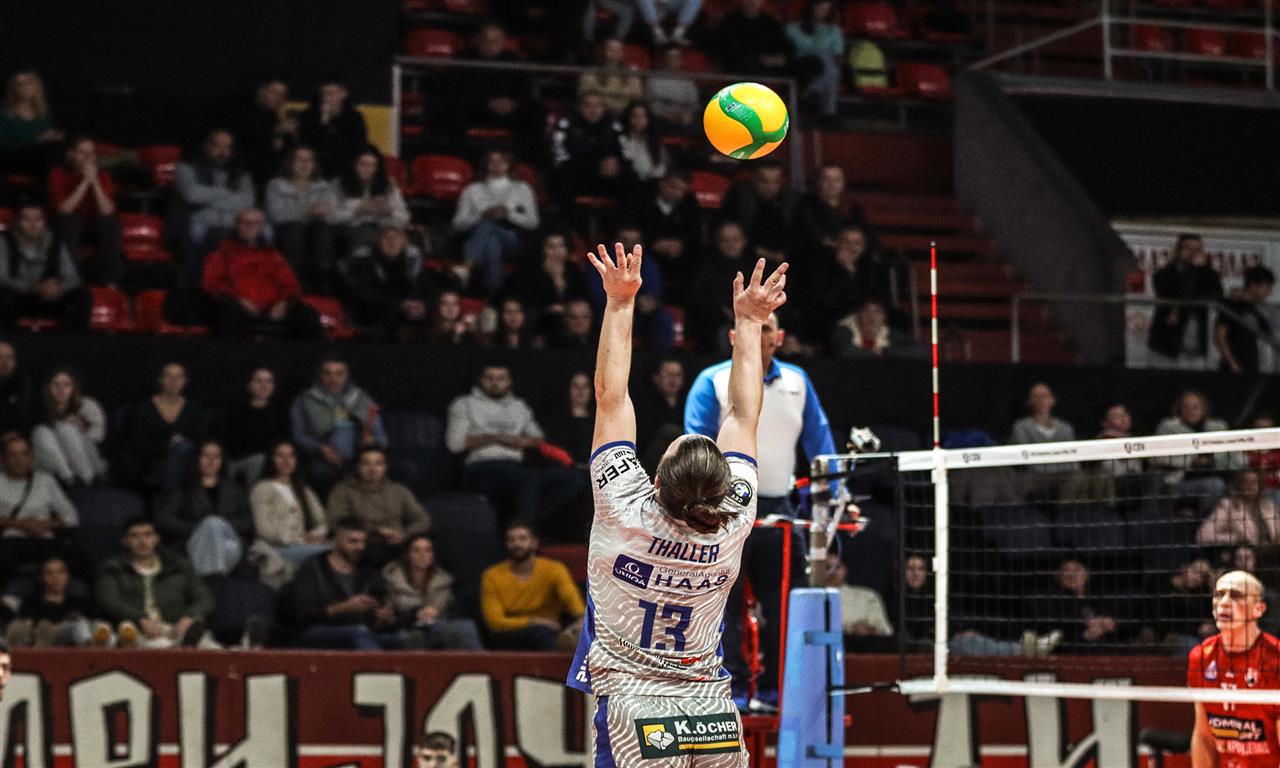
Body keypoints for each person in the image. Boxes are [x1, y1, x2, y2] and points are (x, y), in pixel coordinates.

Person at [568, 242, 783, 765]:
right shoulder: (735, 516)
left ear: (657, 477)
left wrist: (620, 303)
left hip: (634, 704)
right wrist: (749, 323)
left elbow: (610, 397)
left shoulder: (622, 502)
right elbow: (743, 416)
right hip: (710, 707)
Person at [685, 304, 834, 708]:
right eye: (752, 328)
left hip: (778, 508)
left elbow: (820, 444)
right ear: (734, 337)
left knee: (786, 603)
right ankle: (729, 690)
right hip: (721, 511)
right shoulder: (711, 381)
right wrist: (704, 507)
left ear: (779, 338)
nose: (760, 335)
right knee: (721, 603)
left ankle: (779, 690)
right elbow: (696, 449)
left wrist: (834, 495)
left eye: (768, 328)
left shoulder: (798, 381)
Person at [1187, 570, 1280, 767]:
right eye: (1219, 594)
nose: (1224, 602)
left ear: (1258, 609)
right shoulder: (1201, 657)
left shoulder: (1275, 659)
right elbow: (1203, 735)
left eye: (1236, 595)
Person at [200, 208, 324, 340]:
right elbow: (212, 283)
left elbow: (291, 284)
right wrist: (238, 300)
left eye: (255, 223)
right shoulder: (221, 252)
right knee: (228, 312)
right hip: (237, 305)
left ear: (261, 227)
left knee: (307, 314)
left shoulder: (273, 255)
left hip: (272, 307)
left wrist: (283, 302)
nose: (250, 227)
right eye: (245, 222)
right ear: (236, 225)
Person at [94, 518, 214, 649]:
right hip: (136, 628)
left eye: (147, 535)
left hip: (174, 626)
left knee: (212, 648)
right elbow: (109, 600)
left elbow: (204, 598)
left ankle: (188, 640)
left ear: (156, 538)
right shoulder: (113, 568)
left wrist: (188, 617)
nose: (142, 541)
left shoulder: (179, 566)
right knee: (159, 645)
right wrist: (140, 618)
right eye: (134, 536)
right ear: (125, 541)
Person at [292, 518, 405, 650]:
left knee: (402, 637)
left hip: (364, 632)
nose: (360, 547)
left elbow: (377, 609)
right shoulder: (313, 567)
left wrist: (382, 616)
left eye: (363, 542)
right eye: (353, 542)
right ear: (337, 541)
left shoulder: (367, 568)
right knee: (360, 632)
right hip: (319, 631)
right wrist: (342, 608)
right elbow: (302, 616)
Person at [290, 356, 389, 495]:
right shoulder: (304, 400)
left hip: (360, 459)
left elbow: (382, 438)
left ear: (347, 375)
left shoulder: (362, 399)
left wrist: (372, 441)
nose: (333, 379)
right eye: (328, 373)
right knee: (319, 472)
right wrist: (320, 448)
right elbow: (298, 435)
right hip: (322, 459)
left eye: (339, 373)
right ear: (320, 375)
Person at [154, 439, 253, 577]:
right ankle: (216, 579)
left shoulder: (235, 490)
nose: (211, 461)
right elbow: (164, 520)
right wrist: (201, 528)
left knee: (220, 531)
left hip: (229, 540)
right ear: (197, 459)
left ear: (222, 461)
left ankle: (208, 580)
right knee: (212, 525)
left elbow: (248, 522)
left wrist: (219, 526)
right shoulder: (184, 489)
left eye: (216, 456)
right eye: (206, 456)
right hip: (195, 542)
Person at [169, 129, 255, 288]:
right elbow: (191, 194)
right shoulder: (186, 167)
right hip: (193, 219)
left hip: (230, 222)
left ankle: (239, 286)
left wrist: (210, 199)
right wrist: (227, 193)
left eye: (227, 147)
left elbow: (247, 201)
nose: (222, 151)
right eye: (217, 146)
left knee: (260, 232)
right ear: (207, 146)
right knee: (198, 232)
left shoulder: (239, 171)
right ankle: (192, 286)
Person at [482, 521, 584, 650]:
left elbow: (572, 599)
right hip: (509, 634)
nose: (517, 544)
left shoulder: (553, 569)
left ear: (534, 543)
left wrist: (581, 620)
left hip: (552, 631)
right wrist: (534, 621)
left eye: (523, 539)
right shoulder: (492, 575)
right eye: (511, 540)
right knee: (540, 633)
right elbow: (495, 622)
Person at [452, 149, 539, 295]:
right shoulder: (472, 190)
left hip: (512, 239)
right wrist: (480, 216)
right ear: (486, 165)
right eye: (492, 161)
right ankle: (494, 295)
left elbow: (533, 222)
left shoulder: (522, 188)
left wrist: (508, 214)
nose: (497, 165)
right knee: (492, 243)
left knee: (487, 227)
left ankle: (467, 266)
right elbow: (458, 223)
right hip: (480, 238)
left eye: (502, 161)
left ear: (509, 164)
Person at [326, 446, 431, 567]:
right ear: (358, 467)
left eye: (378, 464)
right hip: (363, 544)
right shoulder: (343, 491)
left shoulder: (399, 490)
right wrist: (376, 531)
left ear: (385, 467)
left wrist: (404, 534)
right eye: (366, 464)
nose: (372, 469)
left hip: (398, 542)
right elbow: (337, 522)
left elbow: (423, 519)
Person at [340, 225, 441, 343]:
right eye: (387, 238)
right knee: (390, 313)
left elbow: (427, 288)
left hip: (407, 307)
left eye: (396, 238)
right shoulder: (366, 261)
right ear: (378, 242)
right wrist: (400, 305)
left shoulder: (412, 261)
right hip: (373, 310)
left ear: (404, 243)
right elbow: (364, 293)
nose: (392, 242)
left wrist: (422, 304)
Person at [0, 202, 91, 331]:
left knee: (82, 296)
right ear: (18, 222)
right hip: (19, 296)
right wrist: (33, 287)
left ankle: (73, 340)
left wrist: (59, 287)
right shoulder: (4, 241)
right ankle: (9, 339)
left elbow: (73, 277)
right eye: (27, 219)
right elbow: (2, 277)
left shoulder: (55, 241)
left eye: (38, 219)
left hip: (50, 296)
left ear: (44, 222)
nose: (33, 224)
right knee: (3, 297)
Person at [0, 434, 78, 583]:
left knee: (80, 560)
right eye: (12, 455)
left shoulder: (46, 480)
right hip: (10, 541)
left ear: (31, 457)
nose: (19, 459)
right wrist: (19, 524)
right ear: (3, 459)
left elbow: (72, 517)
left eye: (24, 454)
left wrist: (46, 524)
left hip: (44, 540)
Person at [383, 534, 482, 650]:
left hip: (435, 627)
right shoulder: (393, 578)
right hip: (405, 628)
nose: (422, 555)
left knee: (464, 626)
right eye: (416, 550)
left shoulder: (443, 581)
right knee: (415, 636)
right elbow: (390, 612)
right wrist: (416, 613)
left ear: (433, 555)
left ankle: (478, 661)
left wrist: (435, 611)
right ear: (407, 555)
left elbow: (445, 609)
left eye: (427, 550)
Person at [46, 136, 123, 285]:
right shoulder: (58, 173)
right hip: (65, 227)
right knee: (69, 221)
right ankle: (69, 280)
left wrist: (94, 182)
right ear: (71, 154)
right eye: (83, 152)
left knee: (110, 223)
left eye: (91, 153)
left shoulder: (103, 175)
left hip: (92, 228)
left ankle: (109, 281)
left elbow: (107, 211)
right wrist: (85, 181)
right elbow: (64, 209)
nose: (88, 157)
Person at [264, 146, 339, 287]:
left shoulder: (324, 186)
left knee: (324, 228)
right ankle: (295, 279)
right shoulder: (276, 185)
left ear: (314, 164)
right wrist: (307, 212)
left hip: (315, 230)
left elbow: (333, 213)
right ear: (290, 163)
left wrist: (323, 212)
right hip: (286, 231)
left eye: (309, 160)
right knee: (295, 228)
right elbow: (277, 215)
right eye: (299, 160)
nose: (304, 164)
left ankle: (322, 277)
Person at [126, 362, 206, 492]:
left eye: (179, 377)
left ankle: (170, 497)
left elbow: (200, 440)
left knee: (185, 448)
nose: (174, 381)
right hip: (153, 460)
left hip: (188, 462)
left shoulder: (194, 409)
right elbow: (137, 442)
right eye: (168, 376)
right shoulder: (143, 408)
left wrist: (181, 444)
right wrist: (168, 445)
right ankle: (170, 496)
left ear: (185, 381)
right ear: (160, 379)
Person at [1148, 233, 1223, 368]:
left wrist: (1199, 271)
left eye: (1197, 249)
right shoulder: (1163, 274)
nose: (1193, 253)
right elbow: (1175, 294)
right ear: (1178, 250)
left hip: (1198, 349)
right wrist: (1193, 271)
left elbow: (1216, 297)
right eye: (1188, 248)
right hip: (1167, 347)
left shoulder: (1210, 275)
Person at [250, 439, 329, 565]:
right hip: (275, 549)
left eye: (291, 456)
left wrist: (315, 535)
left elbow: (322, 520)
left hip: (303, 545)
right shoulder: (262, 489)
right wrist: (300, 539)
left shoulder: (303, 489)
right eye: (280, 456)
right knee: (327, 554)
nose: (286, 460)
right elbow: (263, 530)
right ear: (271, 460)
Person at [31, 367, 107, 486]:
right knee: (40, 431)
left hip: (86, 459)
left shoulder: (86, 404)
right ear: (47, 387)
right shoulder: (41, 408)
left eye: (66, 385)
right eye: (55, 385)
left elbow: (99, 437)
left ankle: (88, 478)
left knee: (64, 428)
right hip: (58, 464)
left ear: (74, 387)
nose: (61, 390)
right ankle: (68, 478)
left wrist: (81, 427)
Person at [4, 555, 100, 648]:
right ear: (41, 577)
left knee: (90, 625)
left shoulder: (78, 603)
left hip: (70, 639)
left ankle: (93, 648)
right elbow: (27, 626)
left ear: (67, 576)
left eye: (60, 572)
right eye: (49, 573)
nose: (55, 577)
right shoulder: (31, 602)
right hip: (39, 639)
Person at [215, 367, 290, 486]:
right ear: (249, 385)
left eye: (268, 381)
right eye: (259, 381)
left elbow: (281, 443)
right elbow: (226, 440)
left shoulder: (280, 414)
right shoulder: (234, 410)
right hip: (234, 460)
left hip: (267, 462)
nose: (264, 385)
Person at [549, 91, 624, 208]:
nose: (593, 110)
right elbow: (558, 153)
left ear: (604, 108)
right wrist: (592, 166)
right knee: (563, 176)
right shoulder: (566, 123)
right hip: (576, 171)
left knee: (629, 176)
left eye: (597, 105)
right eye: (588, 105)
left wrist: (616, 162)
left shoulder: (614, 125)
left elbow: (624, 150)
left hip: (606, 173)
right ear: (579, 108)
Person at [720, 160, 800, 266]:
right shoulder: (740, 196)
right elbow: (729, 230)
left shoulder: (791, 199)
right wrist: (755, 250)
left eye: (776, 181)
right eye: (764, 181)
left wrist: (785, 253)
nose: (770, 187)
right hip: (746, 254)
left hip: (785, 257)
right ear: (754, 179)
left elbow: (798, 234)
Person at [635, 171, 700, 301]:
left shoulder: (690, 204)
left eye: (682, 190)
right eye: (673, 187)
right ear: (662, 183)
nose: (677, 193)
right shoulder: (642, 200)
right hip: (646, 251)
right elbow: (633, 228)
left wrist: (681, 244)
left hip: (678, 256)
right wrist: (652, 243)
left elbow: (694, 233)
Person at [514, 232, 589, 339]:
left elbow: (581, 295)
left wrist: (560, 283)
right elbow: (528, 299)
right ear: (543, 250)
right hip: (543, 317)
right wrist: (549, 308)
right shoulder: (533, 272)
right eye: (551, 247)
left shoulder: (573, 269)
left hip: (571, 313)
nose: (556, 251)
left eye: (560, 246)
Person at [332, 147, 410, 248]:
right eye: (363, 164)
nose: (367, 170)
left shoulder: (388, 183)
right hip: (352, 228)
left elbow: (405, 217)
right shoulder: (340, 183)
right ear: (353, 165)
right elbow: (331, 216)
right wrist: (357, 210)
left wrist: (389, 212)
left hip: (383, 229)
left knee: (404, 239)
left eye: (372, 165)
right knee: (366, 234)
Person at [1197, 469, 1280, 555]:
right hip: (1244, 555)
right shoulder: (1228, 506)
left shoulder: (1269, 506)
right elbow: (1203, 535)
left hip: (1271, 554)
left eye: (1254, 482)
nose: (1250, 486)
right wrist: (1235, 539)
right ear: (1239, 485)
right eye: (1246, 482)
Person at [297, 80, 369, 178]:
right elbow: (307, 144)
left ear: (343, 94)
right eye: (323, 94)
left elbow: (358, 146)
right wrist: (323, 122)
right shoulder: (309, 116)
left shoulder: (354, 118)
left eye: (331, 94)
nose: (326, 98)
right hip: (314, 170)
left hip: (344, 170)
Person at [234, 77, 299, 186]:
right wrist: (277, 130)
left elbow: (282, 150)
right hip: (245, 177)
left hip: (274, 179)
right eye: (274, 93)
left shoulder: (278, 117)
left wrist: (293, 135)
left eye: (282, 95)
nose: (278, 98)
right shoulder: (244, 111)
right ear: (262, 92)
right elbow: (247, 135)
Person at [786, 0, 844, 117]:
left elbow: (838, 54)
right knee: (827, 64)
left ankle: (812, 91)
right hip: (800, 66)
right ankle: (828, 111)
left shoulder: (834, 31)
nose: (822, 13)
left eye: (826, 10)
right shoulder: (793, 28)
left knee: (828, 61)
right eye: (820, 9)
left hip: (825, 68)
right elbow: (786, 52)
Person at [0, 72, 64, 176]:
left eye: (28, 82)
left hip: (42, 157)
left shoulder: (43, 111)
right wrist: (36, 139)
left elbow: (47, 135)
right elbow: (4, 144)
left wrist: (55, 136)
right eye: (18, 83)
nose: (23, 87)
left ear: (36, 86)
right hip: (12, 158)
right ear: (13, 88)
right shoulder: (4, 110)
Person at [1216, 265, 1276, 375]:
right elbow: (1220, 336)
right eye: (1266, 287)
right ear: (1253, 286)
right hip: (1233, 369)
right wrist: (1232, 363)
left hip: (1251, 367)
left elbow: (1268, 334)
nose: (1269, 292)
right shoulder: (1232, 304)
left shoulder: (1254, 310)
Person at [822, 552, 892, 646]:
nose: (833, 572)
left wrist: (870, 629)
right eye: (828, 567)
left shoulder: (867, 596)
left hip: (869, 647)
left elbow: (884, 628)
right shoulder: (810, 599)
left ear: (845, 570)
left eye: (837, 567)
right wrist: (850, 629)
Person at [634, 359, 686, 471]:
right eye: (669, 374)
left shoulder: (688, 404)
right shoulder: (644, 406)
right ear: (656, 378)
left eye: (677, 375)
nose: (673, 379)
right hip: (651, 463)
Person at [829, 297, 922, 359]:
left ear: (884, 317)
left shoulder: (891, 334)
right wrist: (875, 353)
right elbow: (845, 352)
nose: (872, 317)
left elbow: (919, 352)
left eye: (877, 312)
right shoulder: (843, 332)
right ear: (858, 316)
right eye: (866, 311)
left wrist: (885, 351)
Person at [717, 0, 791, 76]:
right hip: (739, 70)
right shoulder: (729, 23)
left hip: (769, 71)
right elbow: (729, 51)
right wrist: (759, 59)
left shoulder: (771, 24)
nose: (752, 2)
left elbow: (784, 48)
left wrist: (778, 58)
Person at [578, 39, 645, 116]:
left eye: (618, 50)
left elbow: (637, 96)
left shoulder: (631, 73)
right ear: (603, 51)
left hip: (626, 114)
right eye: (610, 49)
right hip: (599, 114)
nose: (614, 53)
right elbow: (585, 96)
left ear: (622, 53)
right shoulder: (590, 73)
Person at [646, 45, 700, 133]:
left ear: (681, 60)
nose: (672, 60)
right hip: (661, 119)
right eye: (669, 57)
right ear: (664, 58)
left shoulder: (687, 80)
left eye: (676, 57)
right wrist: (669, 116)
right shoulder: (653, 79)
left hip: (684, 119)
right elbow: (651, 105)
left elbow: (694, 104)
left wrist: (688, 115)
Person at [617, 102, 669, 185]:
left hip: (655, 182)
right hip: (631, 183)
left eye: (643, 116)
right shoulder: (622, 139)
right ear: (628, 118)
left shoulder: (655, 139)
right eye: (634, 116)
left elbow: (662, 166)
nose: (639, 120)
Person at [0, 341, 32, 438]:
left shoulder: (22, 385)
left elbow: (29, 419)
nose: (5, 363)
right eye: (0, 357)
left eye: (9, 358)